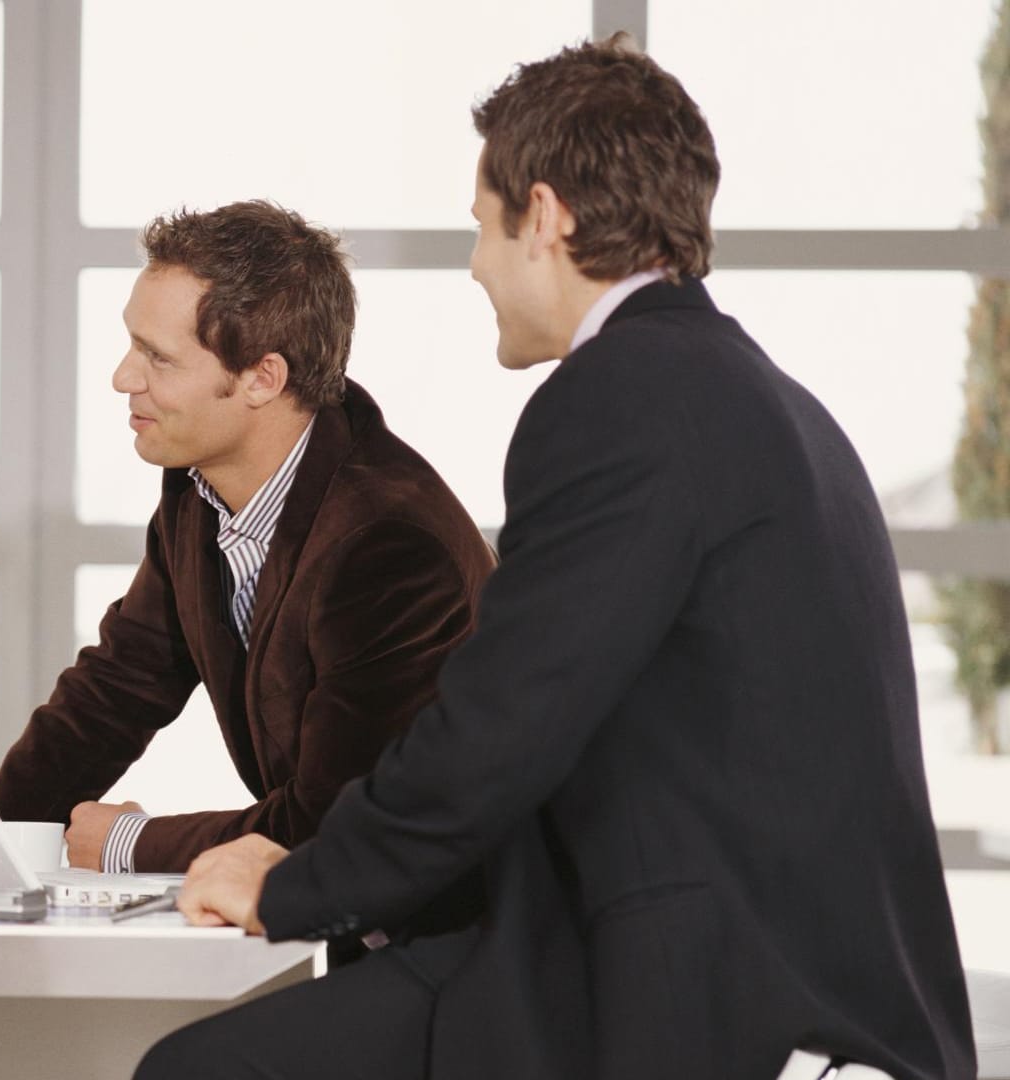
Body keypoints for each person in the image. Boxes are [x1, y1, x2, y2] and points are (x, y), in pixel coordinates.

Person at [144, 37, 976, 1080]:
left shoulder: (618, 401)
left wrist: (298, 884)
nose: (478, 264)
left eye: (483, 227)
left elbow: (502, 720)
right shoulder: (767, 403)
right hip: (750, 979)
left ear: (544, 217)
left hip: (713, 1010)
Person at [0, 200, 494, 898]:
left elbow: (335, 823)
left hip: (457, 932)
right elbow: (118, 689)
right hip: (343, 914)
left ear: (263, 377)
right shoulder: (198, 490)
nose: (123, 378)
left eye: (157, 356)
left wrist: (128, 845)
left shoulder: (387, 543)